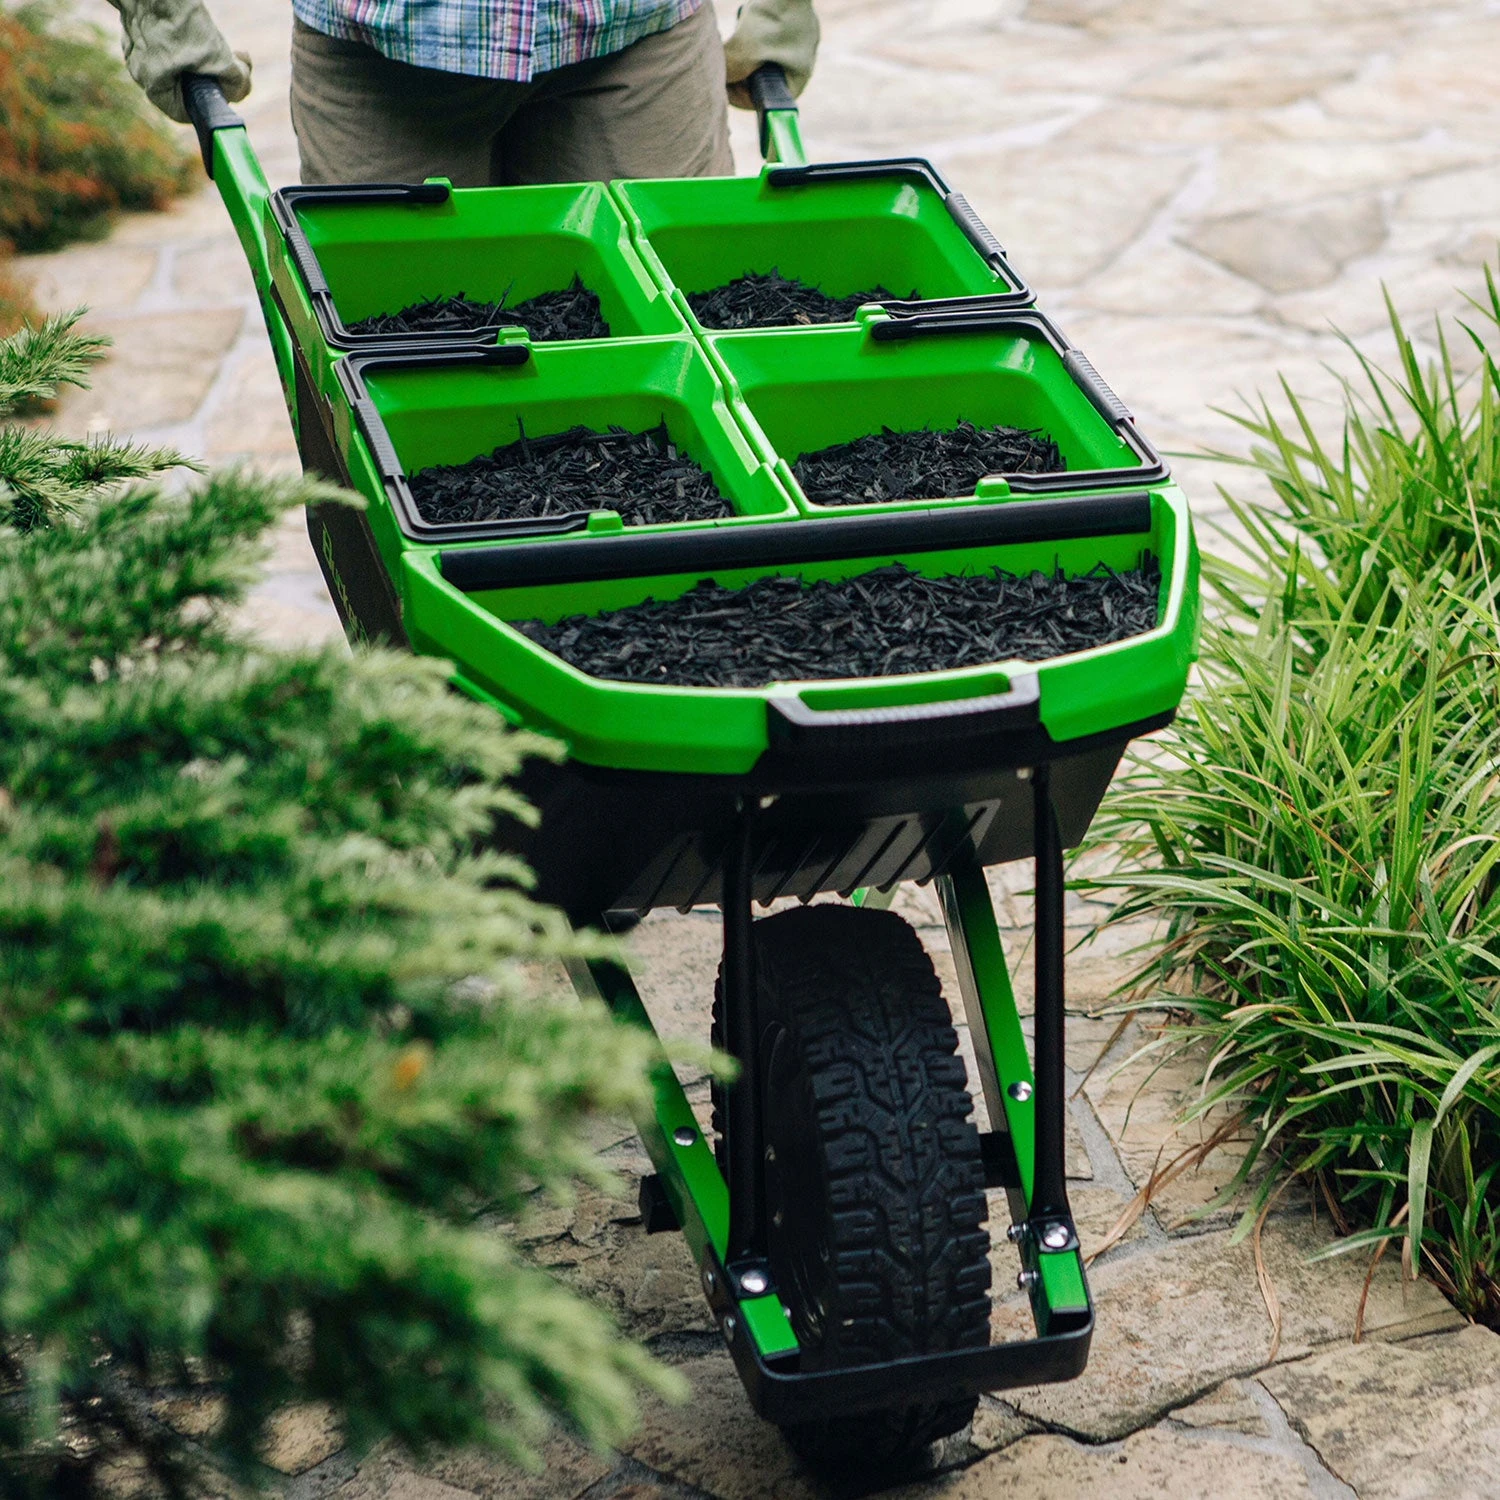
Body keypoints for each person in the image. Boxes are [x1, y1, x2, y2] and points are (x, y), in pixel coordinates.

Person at [106, 0, 817, 186]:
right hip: (378, 60)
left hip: (640, 38)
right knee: (408, 388)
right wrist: (161, 15)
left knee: (663, 367)